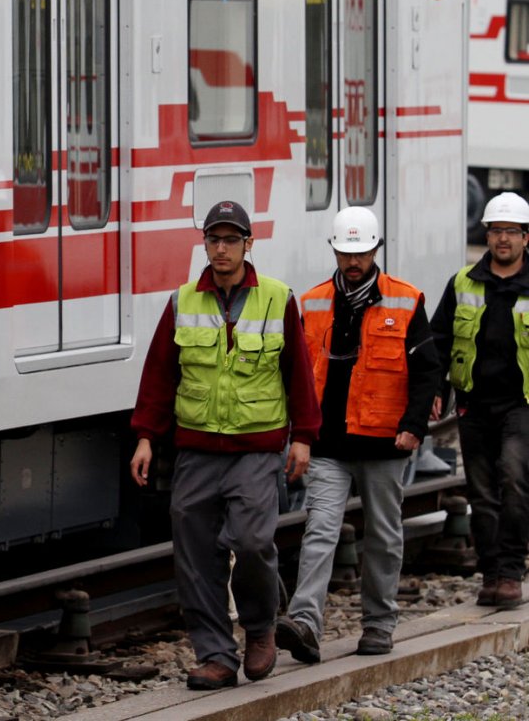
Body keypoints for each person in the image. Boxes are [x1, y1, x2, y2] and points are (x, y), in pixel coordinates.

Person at [130, 199, 320, 690]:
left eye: (230, 240)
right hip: (196, 449)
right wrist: (147, 437)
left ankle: (259, 630)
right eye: (213, 240)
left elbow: (298, 373)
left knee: (253, 542)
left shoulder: (278, 298)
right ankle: (214, 653)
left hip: (256, 449)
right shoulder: (182, 301)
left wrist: (303, 437)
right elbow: (159, 375)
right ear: (205, 245)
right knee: (194, 553)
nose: (221, 249)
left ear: (248, 245)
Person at [275, 207, 439, 665]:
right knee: (320, 532)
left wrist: (413, 425)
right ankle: (305, 622)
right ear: (334, 250)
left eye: (361, 253)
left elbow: (428, 371)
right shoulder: (311, 303)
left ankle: (379, 625)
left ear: (375, 251)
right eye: (346, 253)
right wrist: (298, 434)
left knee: (384, 536)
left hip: (385, 445)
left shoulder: (406, 301)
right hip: (328, 445)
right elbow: (295, 374)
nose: (353, 261)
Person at [429, 191, 529, 610]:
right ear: (486, 235)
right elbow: (438, 339)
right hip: (474, 404)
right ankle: (490, 574)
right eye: (495, 230)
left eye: (510, 231)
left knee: (514, 479)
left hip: (521, 405)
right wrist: (437, 389)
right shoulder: (463, 283)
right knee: (482, 493)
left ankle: (510, 572)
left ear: (526, 237)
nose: (502, 239)